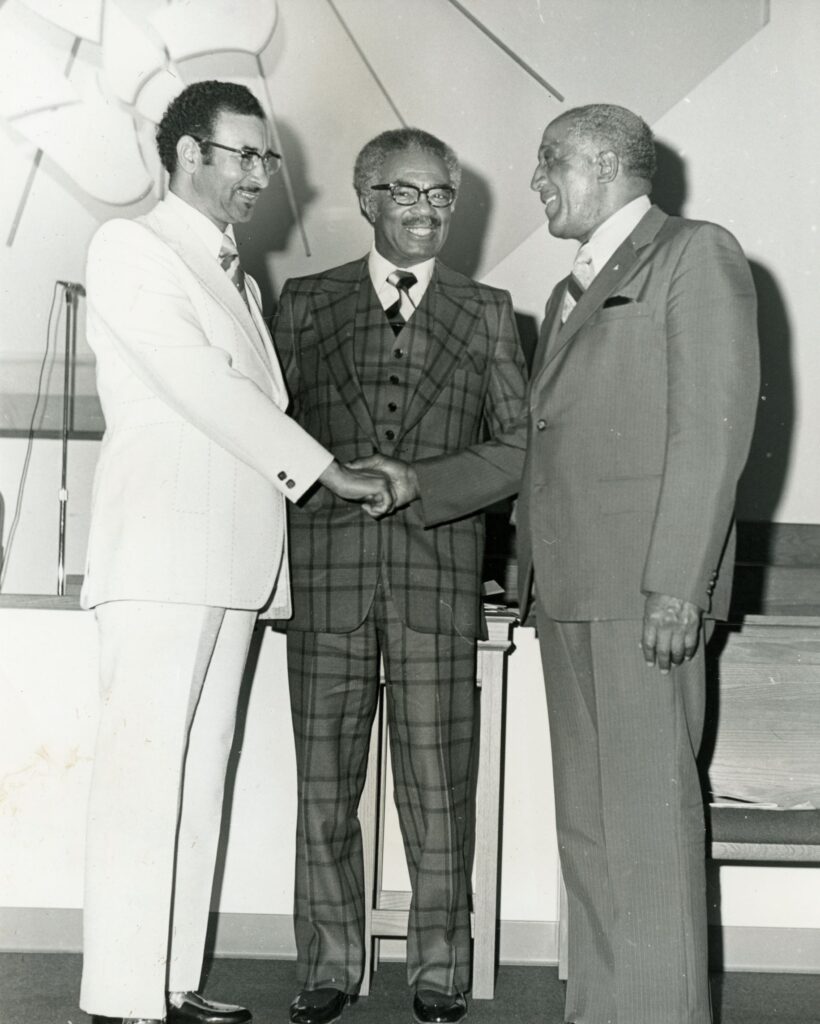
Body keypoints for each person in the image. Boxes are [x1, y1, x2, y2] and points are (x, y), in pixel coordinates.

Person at [405, 103, 760, 1024]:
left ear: (604, 164)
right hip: (566, 594)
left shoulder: (695, 254)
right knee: (591, 838)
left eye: (548, 161)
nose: (535, 182)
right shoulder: (570, 292)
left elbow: (712, 436)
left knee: (648, 834)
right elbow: (537, 443)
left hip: (648, 595)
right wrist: (412, 485)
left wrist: (679, 584)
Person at [79, 80, 393, 1024]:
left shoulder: (236, 276)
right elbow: (198, 385)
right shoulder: (131, 246)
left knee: (199, 769)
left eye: (268, 157)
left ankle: (169, 979)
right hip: (163, 554)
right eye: (244, 155)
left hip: (230, 558)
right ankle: (122, 995)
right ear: (186, 156)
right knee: (145, 773)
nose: (262, 175)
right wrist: (327, 471)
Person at [272, 127, 528, 1024]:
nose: (426, 212)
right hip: (325, 583)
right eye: (406, 193)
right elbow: (272, 433)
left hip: (437, 583)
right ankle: (330, 967)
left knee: (438, 785)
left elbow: (518, 446)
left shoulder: (489, 310)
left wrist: (429, 485)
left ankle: (439, 972)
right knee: (323, 786)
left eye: (442, 197)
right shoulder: (303, 303)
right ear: (366, 197)